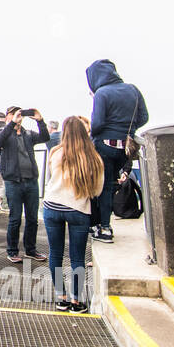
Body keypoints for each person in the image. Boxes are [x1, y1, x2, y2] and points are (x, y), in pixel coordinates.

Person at [43, 116, 104, 313]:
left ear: (64, 133)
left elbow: (52, 177)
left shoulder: (55, 152)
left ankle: (61, 298)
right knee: (77, 258)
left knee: (56, 254)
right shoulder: (93, 157)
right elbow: (98, 190)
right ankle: (76, 302)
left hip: (52, 206)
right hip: (78, 209)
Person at [85, 60, 148, 243]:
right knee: (111, 186)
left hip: (104, 146)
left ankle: (104, 227)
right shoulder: (132, 89)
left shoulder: (102, 93)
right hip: (125, 148)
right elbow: (144, 116)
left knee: (101, 187)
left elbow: (96, 125)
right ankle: (101, 224)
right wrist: (127, 130)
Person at [0, 106, 51, 263]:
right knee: (15, 218)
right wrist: (11, 124)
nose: (17, 116)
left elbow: (45, 137)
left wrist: (40, 120)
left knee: (32, 218)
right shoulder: (4, 133)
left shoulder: (28, 134)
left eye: (19, 114)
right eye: (13, 114)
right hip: (13, 182)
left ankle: (31, 250)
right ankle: (12, 251)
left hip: (31, 182)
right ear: (8, 117)